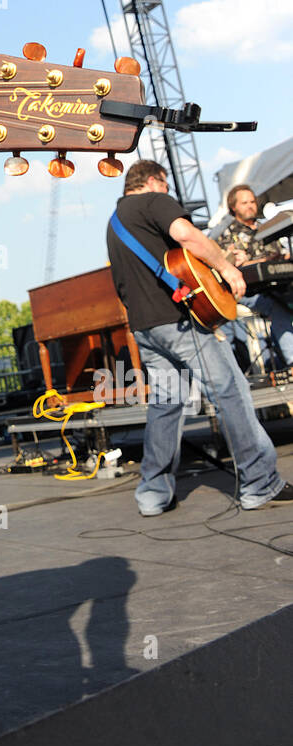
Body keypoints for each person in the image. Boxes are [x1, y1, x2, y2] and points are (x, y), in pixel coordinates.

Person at [106, 160, 292, 517]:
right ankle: (259, 484)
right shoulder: (154, 201)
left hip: (145, 328)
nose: (169, 194)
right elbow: (187, 235)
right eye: (166, 187)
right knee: (230, 391)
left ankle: (153, 494)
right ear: (155, 181)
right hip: (180, 323)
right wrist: (225, 266)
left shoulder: (115, 224)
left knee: (167, 404)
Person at [215, 184, 293, 371]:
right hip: (248, 292)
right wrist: (261, 261)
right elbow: (228, 266)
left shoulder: (267, 228)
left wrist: (282, 258)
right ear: (234, 207)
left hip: (277, 285)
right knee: (276, 307)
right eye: (245, 203)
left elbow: (279, 258)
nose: (250, 206)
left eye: (252, 202)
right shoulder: (226, 234)